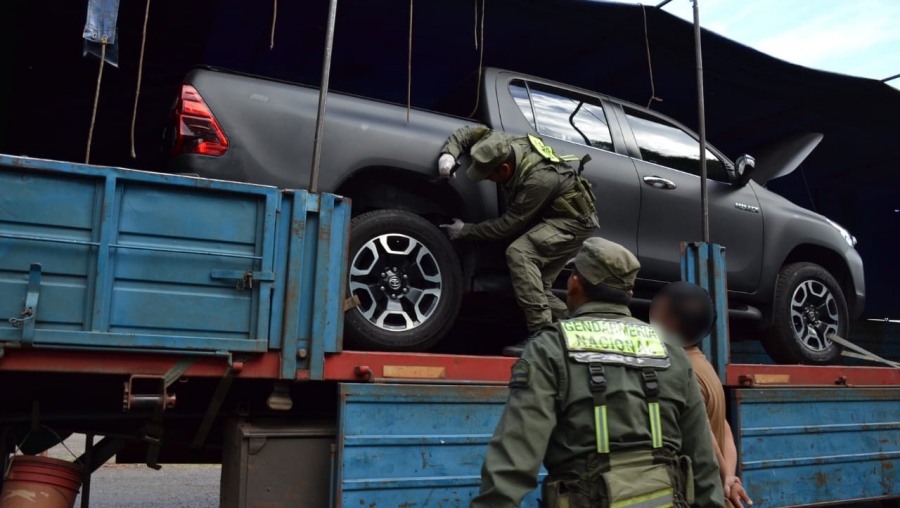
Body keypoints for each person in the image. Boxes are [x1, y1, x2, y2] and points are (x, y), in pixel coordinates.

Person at [470, 237, 725, 508]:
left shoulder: (551, 348)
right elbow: (702, 460)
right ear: (630, 290)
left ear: (575, 283)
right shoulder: (671, 352)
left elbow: (514, 459)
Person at [437, 126, 598, 354]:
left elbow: (508, 225)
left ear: (504, 168)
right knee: (535, 286)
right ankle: (584, 331)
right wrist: (449, 153)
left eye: (490, 175)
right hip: (553, 216)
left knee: (519, 253)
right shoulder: (499, 143)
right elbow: (468, 132)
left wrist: (466, 230)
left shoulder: (538, 181)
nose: (488, 180)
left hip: (572, 222)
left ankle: (541, 337)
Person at [650, 281, 753, 508]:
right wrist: (729, 476)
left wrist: (724, 475)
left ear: (672, 322)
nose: (651, 314)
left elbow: (705, 434)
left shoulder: (684, 371)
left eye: (656, 309)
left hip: (702, 497)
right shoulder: (703, 365)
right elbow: (724, 428)